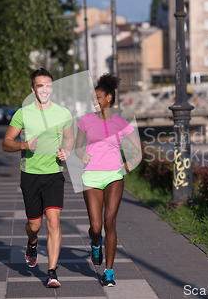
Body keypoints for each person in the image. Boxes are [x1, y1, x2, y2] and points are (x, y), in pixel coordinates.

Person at [2, 68, 74, 288]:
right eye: (40, 86)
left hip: (54, 174)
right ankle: (32, 242)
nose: (45, 89)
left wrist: (67, 151)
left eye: (48, 85)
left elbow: (70, 139)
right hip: (30, 175)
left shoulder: (63, 113)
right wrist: (23, 144)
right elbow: (6, 143)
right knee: (34, 225)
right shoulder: (23, 113)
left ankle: (51, 272)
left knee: (54, 222)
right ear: (33, 89)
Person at [75, 73, 142, 287]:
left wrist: (131, 162)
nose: (95, 101)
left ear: (109, 99)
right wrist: (80, 155)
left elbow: (139, 150)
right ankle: (96, 243)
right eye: (94, 98)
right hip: (91, 176)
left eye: (98, 98)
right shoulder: (86, 120)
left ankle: (109, 271)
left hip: (114, 175)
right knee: (96, 227)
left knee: (109, 222)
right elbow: (77, 147)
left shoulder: (121, 122)